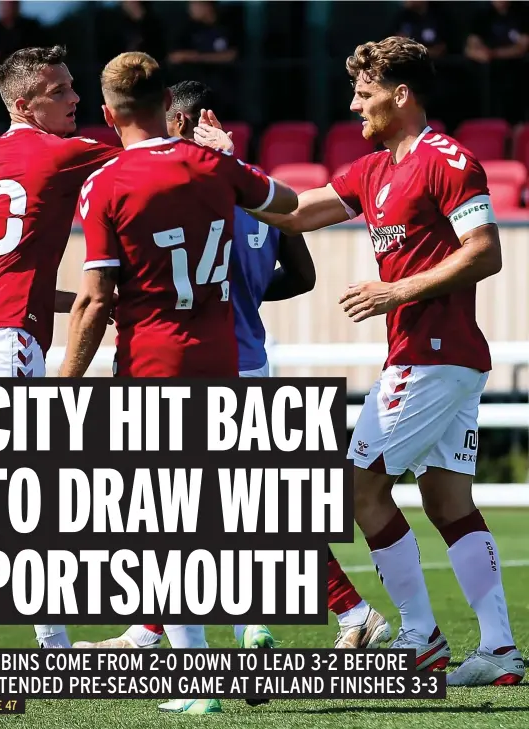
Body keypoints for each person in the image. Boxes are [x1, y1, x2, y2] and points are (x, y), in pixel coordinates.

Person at [200, 36, 524, 686]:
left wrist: (397, 289)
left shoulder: (449, 160)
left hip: (434, 357)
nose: (353, 105)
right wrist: (233, 166)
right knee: (446, 498)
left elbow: (487, 251)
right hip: (437, 360)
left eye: (365, 93)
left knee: (356, 486)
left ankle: (421, 636)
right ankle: (499, 651)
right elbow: (295, 213)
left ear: (401, 95)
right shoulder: (373, 168)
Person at [71, 80, 392, 673]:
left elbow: (130, 285)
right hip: (246, 358)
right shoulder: (243, 185)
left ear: (184, 122)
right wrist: (238, 295)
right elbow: (299, 272)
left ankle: (332, 616)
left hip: (186, 362)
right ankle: (164, 630)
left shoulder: (166, 186)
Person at [0, 44, 123, 652]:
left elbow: (5, 272)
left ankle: (54, 642)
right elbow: (145, 160)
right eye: (59, 91)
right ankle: (55, 647)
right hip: (7, 344)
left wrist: (76, 302)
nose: (75, 99)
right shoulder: (61, 153)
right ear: (21, 105)